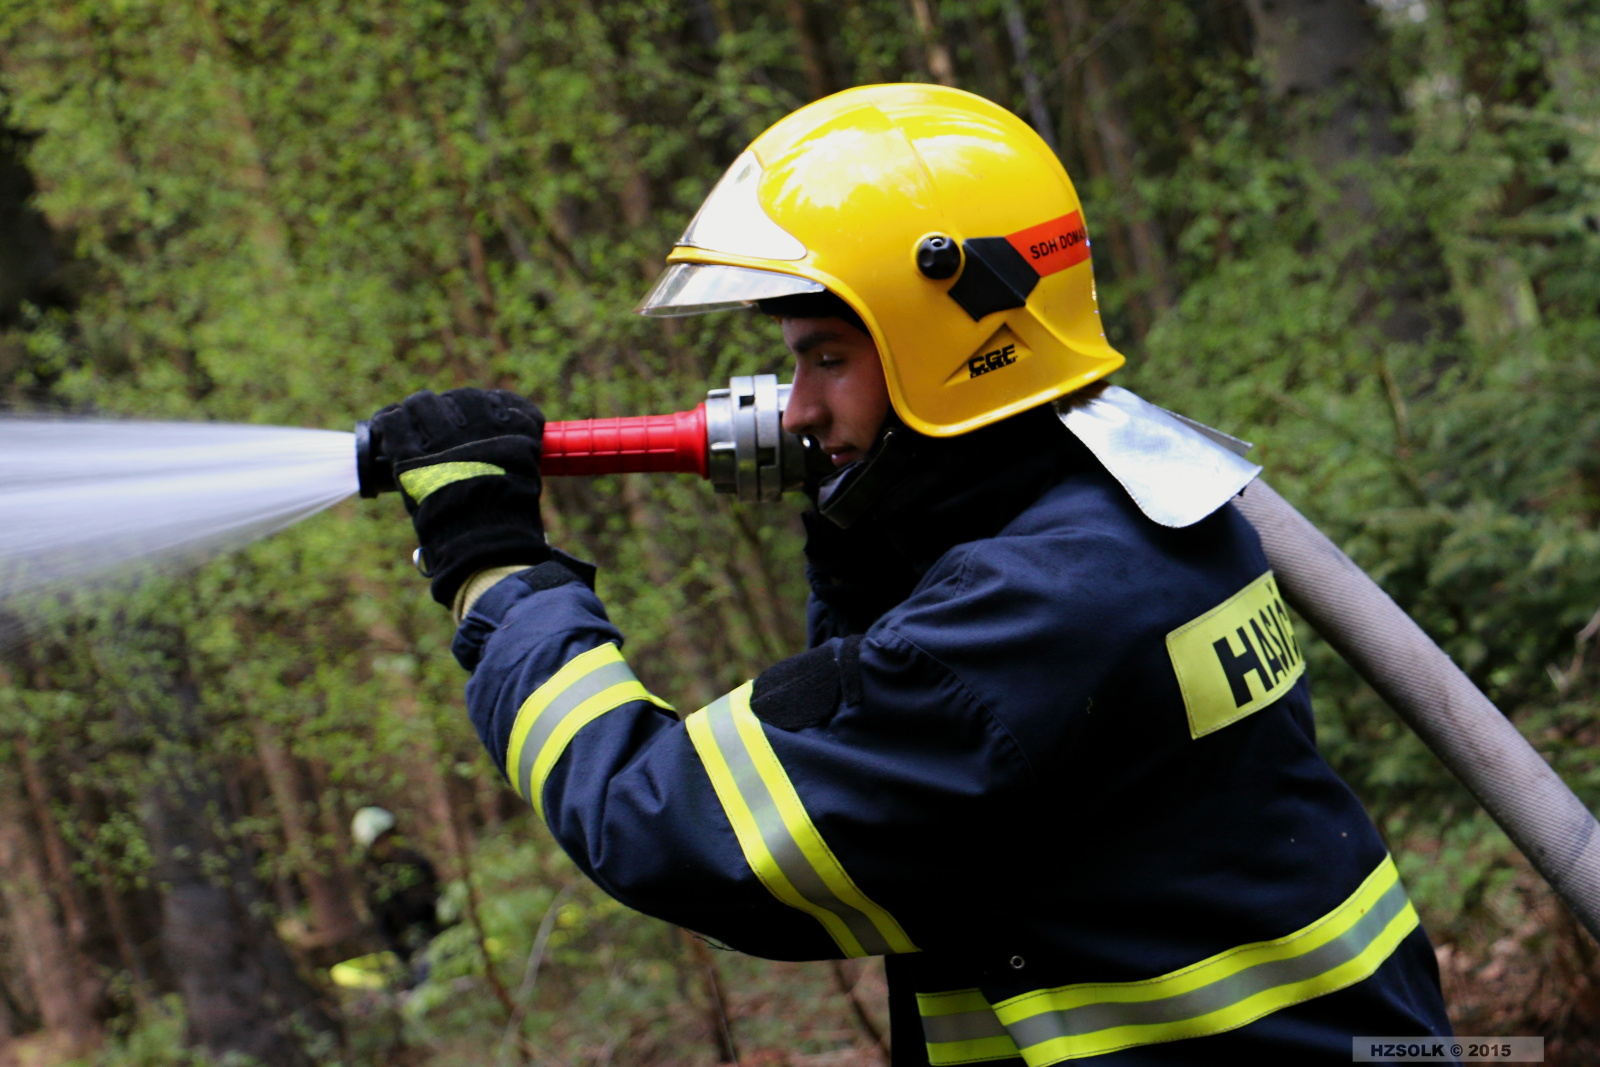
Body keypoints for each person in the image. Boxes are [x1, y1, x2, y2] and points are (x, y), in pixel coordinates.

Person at [369, 85, 1454, 1065]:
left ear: (950, 339)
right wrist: (870, 516)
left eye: (827, 358)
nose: (793, 409)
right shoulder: (1135, 509)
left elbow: (665, 823)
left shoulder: (1031, 615)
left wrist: (496, 575)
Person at [350, 806, 444, 977]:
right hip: (415, 951)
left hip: (442, 937)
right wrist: (405, 958)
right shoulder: (373, 884)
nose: (387, 845)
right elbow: (385, 928)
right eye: (379, 841)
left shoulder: (416, 862)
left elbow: (439, 896)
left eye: (387, 837)